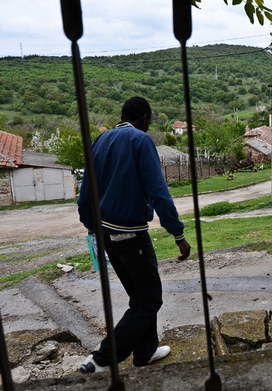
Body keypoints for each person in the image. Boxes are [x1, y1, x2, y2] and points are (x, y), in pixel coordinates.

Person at [77, 96, 191, 373]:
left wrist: (93, 228)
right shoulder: (141, 140)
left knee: (139, 297)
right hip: (131, 234)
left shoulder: (99, 142)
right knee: (150, 299)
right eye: (149, 122)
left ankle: (146, 351)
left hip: (105, 232)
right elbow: (158, 192)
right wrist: (178, 234)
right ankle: (102, 359)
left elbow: (84, 195)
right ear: (144, 119)